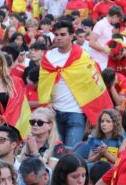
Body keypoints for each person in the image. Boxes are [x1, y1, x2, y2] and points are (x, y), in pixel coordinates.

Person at [38, 19, 112, 147]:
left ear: (72, 36)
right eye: (56, 35)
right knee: (54, 152)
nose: (59, 38)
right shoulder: (48, 56)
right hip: (54, 113)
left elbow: (93, 83)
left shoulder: (82, 56)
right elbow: (44, 85)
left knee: (71, 152)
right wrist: (47, 101)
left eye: (63, 34)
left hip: (76, 113)